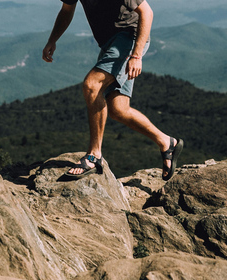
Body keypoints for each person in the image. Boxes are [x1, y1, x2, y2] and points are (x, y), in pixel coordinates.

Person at [42, 0, 183, 181]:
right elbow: (66, 10)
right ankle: (167, 142)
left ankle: (94, 156)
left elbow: (147, 12)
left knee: (92, 85)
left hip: (129, 38)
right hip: (111, 43)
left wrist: (136, 55)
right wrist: (52, 40)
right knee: (118, 110)